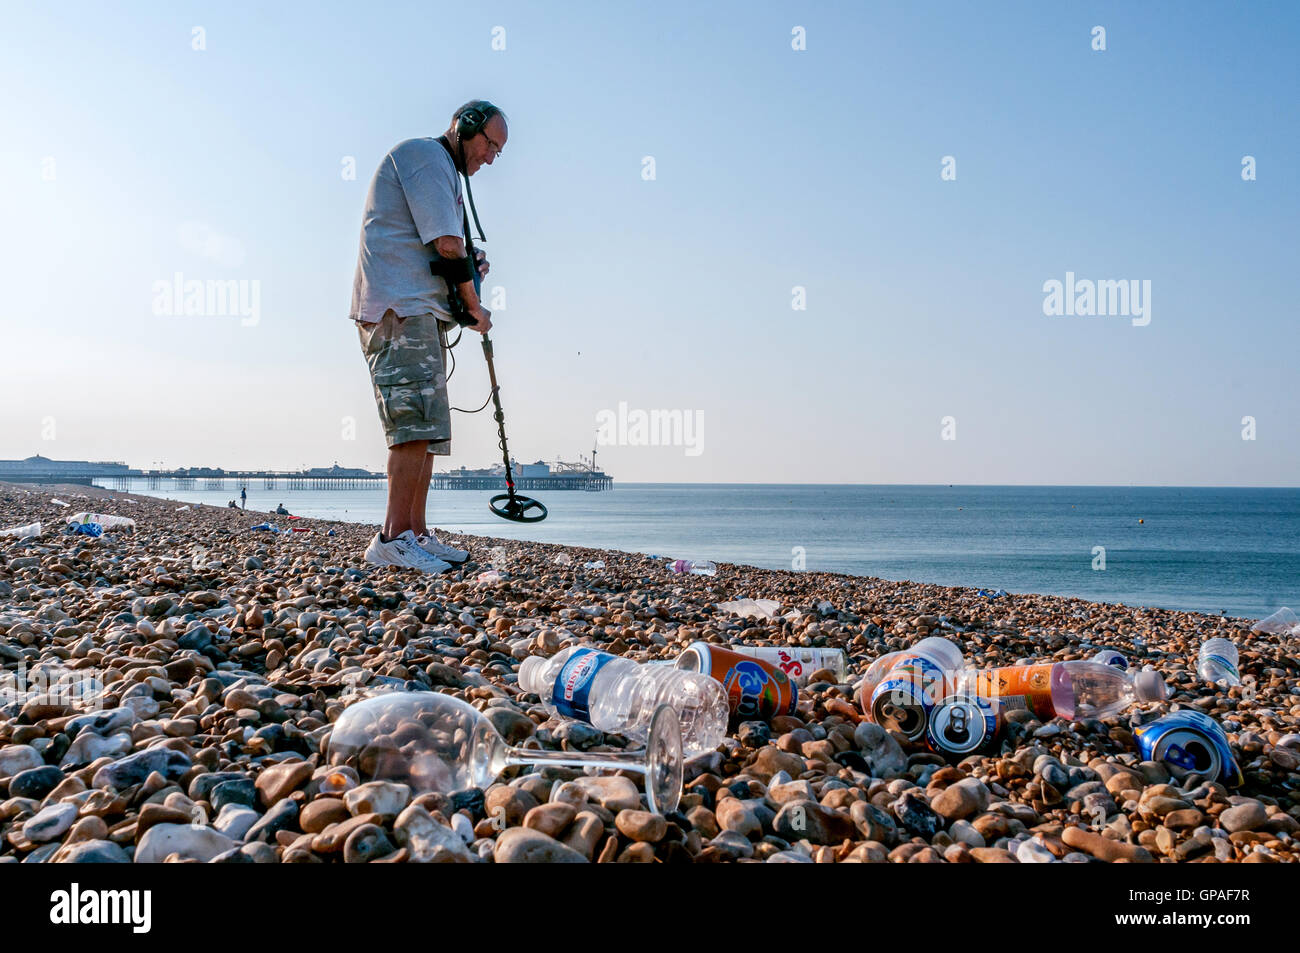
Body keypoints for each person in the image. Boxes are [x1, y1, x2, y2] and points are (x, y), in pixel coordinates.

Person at [349, 100, 503, 572]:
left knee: (428, 433)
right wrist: (475, 308)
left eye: (499, 150)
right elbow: (447, 244)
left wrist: (468, 274)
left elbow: (450, 251)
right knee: (411, 429)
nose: (491, 157)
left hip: (422, 312)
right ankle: (391, 540)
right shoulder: (425, 157)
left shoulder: (445, 173)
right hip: (399, 311)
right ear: (464, 128)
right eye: (488, 144)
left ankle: (415, 533)